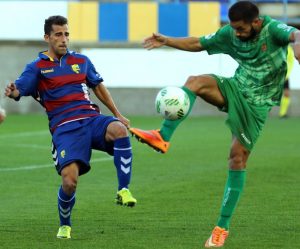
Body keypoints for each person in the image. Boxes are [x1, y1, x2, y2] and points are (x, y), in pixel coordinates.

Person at [129, 1, 300, 247]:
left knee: (236, 158)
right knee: (194, 81)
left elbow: (296, 33)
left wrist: (298, 45)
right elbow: (199, 43)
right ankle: (162, 136)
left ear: (256, 22)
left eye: (241, 29)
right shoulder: (230, 33)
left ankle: (222, 227)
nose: (237, 34)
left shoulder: (272, 30)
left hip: (257, 105)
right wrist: (167, 40)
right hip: (235, 87)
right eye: (234, 28)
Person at [5, 15, 137, 239]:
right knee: (69, 181)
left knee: (119, 130)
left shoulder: (82, 61)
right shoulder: (36, 67)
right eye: (58, 34)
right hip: (64, 128)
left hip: (90, 118)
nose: (64, 39)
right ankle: (65, 224)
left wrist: (117, 114)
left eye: (66, 34)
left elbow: (99, 87)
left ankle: (123, 189)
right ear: (47, 37)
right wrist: (14, 92)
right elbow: (21, 89)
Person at [279, 45, 294, 118]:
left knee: (286, 94)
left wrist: (287, 74)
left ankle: (282, 113)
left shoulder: (289, 48)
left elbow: (291, 62)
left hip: (285, 76)